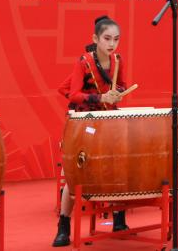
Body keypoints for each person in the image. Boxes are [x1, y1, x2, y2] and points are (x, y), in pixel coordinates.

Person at [53, 16, 129, 247]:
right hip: (85, 122)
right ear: (95, 38)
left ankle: (119, 219)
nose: (112, 44)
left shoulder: (117, 60)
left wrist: (118, 93)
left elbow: (123, 85)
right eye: (107, 38)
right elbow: (74, 94)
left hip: (109, 120)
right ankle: (63, 226)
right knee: (76, 174)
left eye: (116, 39)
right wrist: (101, 97)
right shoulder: (84, 62)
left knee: (117, 168)